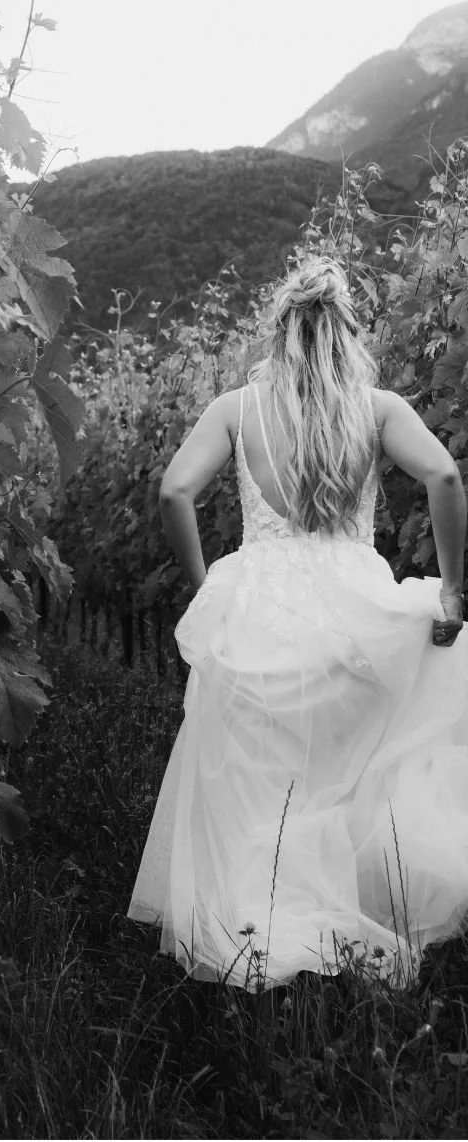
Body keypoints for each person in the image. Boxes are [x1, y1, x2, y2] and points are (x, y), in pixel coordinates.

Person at [128, 256, 468, 988]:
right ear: (346, 331)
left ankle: (260, 938)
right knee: (343, 781)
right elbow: (444, 475)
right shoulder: (377, 408)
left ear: (278, 330)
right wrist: (450, 591)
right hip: (356, 608)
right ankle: (347, 936)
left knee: (259, 787)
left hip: (262, 607)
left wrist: (206, 585)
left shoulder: (235, 410)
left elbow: (173, 492)